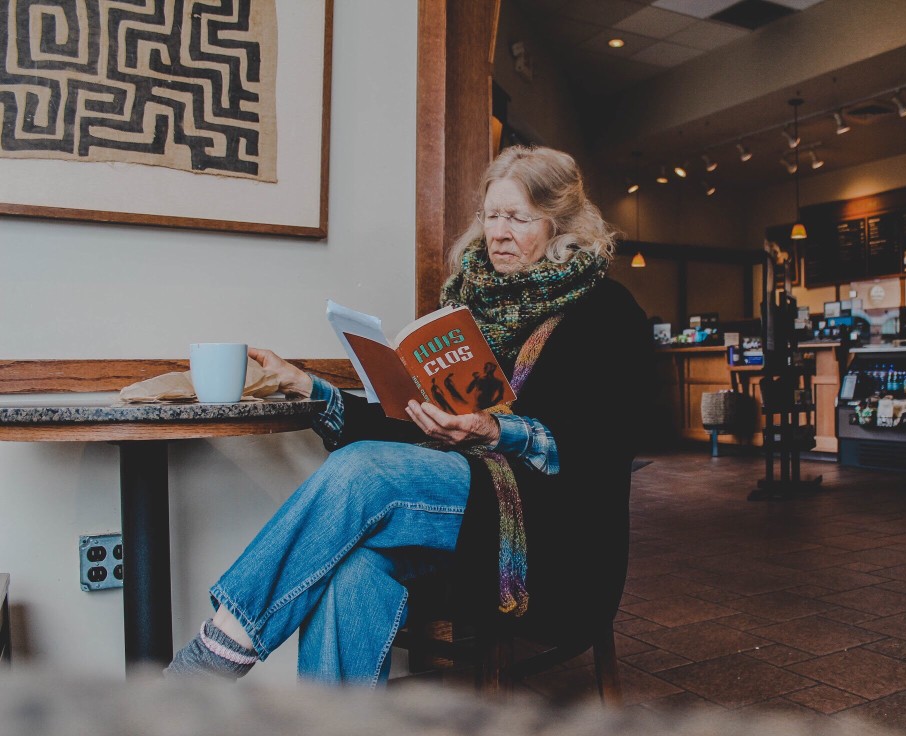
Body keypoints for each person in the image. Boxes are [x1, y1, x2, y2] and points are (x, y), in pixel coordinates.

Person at [166, 145, 653, 686]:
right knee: (352, 566)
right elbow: (403, 426)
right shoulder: (465, 305)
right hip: (460, 516)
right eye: (492, 216)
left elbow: (608, 443)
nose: (498, 232)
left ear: (560, 224)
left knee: (365, 469)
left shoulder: (606, 310)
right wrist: (309, 386)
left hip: (552, 533)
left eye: (517, 217)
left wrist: (497, 429)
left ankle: (213, 658)